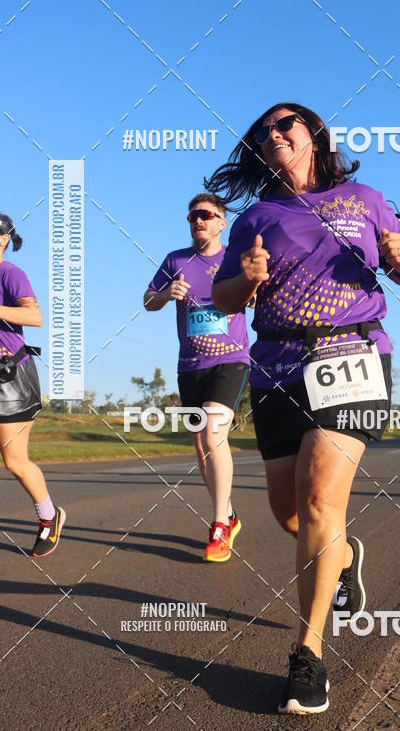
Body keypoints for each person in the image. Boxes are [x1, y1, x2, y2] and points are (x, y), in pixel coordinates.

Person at [208, 103, 400, 714]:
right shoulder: (256, 215)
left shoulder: (364, 197)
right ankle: (348, 554)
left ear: (313, 136)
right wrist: (246, 279)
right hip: (276, 365)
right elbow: (223, 298)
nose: (274, 134)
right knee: (288, 514)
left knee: (319, 499)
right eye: (264, 131)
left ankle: (309, 654)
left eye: (286, 125)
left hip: (351, 353)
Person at [144, 194, 250, 562]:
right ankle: (230, 514)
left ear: (222, 223)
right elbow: (146, 300)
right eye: (193, 215)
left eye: (206, 215)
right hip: (189, 365)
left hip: (230, 360)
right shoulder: (176, 260)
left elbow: (257, 292)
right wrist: (163, 293)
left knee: (213, 432)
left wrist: (249, 294)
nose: (198, 220)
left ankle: (219, 525)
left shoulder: (234, 258)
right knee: (202, 449)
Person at [0, 210, 65, 557]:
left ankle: (49, 517)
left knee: (14, 461)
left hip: (9, 379)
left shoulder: (10, 274)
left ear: (3, 238)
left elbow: (35, 316)